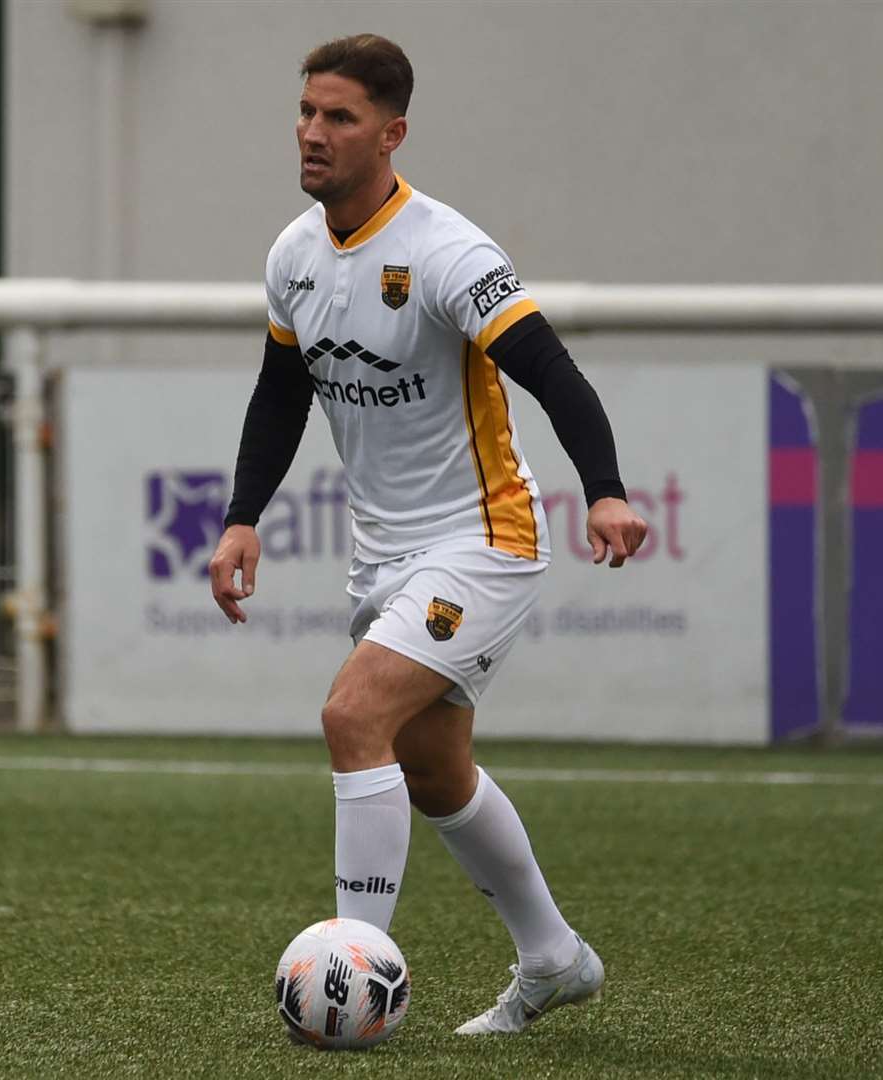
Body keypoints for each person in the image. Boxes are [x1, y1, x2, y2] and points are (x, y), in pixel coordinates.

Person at [207, 33, 648, 1037]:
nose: (313, 134)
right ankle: (554, 957)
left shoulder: (447, 251)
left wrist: (607, 490)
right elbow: (283, 393)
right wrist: (242, 517)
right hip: (384, 552)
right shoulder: (294, 255)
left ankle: (349, 985)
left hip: (483, 537)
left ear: (391, 133)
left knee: (350, 715)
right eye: (307, 113)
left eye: (340, 118)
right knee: (435, 771)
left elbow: (550, 370)